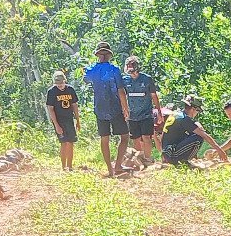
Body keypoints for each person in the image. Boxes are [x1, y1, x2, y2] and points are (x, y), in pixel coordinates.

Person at [83, 42, 131, 176]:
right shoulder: (114, 70)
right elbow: (121, 90)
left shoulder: (92, 70)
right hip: (115, 108)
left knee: (105, 138)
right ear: (109, 55)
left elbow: (86, 79)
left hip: (100, 108)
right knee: (125, 136)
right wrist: (125, 108)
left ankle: (110, 169)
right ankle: (117, 166)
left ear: (98, 55)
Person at [160, 97, 230, 166]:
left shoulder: (176, 114)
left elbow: (164, 135)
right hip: (172, 154)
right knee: (198, 138)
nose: (197, 113)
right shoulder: (185, 119)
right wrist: (219, 150)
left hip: (167, 152)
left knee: (192, 134)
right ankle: (185, 161)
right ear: (193, 109)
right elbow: (204, 135)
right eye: (198, 111)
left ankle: (183, 159)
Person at [123, 56, 161, 166]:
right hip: (132, 115)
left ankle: (147, 159)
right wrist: (124, 110)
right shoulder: (125, 80)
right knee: (136, 139)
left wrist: (158, 112)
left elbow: (154, 96)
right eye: (128, 66)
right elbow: (122, 96)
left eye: (132, 66)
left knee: (146, 137)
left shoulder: (147, 79)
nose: (131, 69)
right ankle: (138, 159)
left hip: (146, 114)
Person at [44, 70, 81, 171]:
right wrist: (56, 125)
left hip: (69, 119)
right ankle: (63, 166)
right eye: (57, 83)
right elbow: (50, 109)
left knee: (71, 142)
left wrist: (78, 120)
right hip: (59, 120)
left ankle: (70, 166)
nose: (60, 85)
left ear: (65, 81)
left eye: (61, 83)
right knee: (64, 143)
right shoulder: (51, 92)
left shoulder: (70, 90)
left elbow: (74, 105)